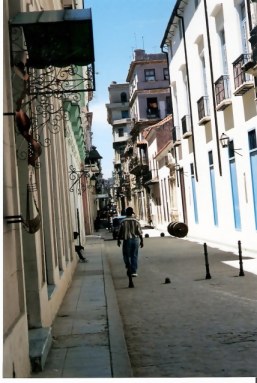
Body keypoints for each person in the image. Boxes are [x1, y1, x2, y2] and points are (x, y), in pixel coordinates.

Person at [117, 207, 143, 277]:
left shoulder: (123, 221)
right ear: (132, 213)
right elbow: (140, 232)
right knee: (134, 255)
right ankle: (133, 271)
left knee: (126, 255)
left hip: (127, 240)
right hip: (136, 240)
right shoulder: (136, 221)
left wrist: (118, 240)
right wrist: (142, 241)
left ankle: (128, 266)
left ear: (126, 213)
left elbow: (119, 232)